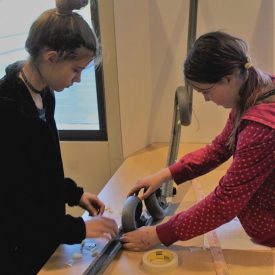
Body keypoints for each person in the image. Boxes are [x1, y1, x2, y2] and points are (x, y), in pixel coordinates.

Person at [121, 31, 275, 251]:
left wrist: (158, 234)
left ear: (229, 79)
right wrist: (166, 174)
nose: (206, 99)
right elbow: (220, 148)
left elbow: (224, 202)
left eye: (206, 91)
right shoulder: (256, 88)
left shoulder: (261, 127)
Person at [0, 0, 118, 273]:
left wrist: (74, 194)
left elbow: (41, 169)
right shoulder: (8, 111)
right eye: (75, 70)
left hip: (42, 235)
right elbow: (16, 208)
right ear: (50, 57)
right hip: (16, 247)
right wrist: (79, 228)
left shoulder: (44, 95)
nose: (77, 80)